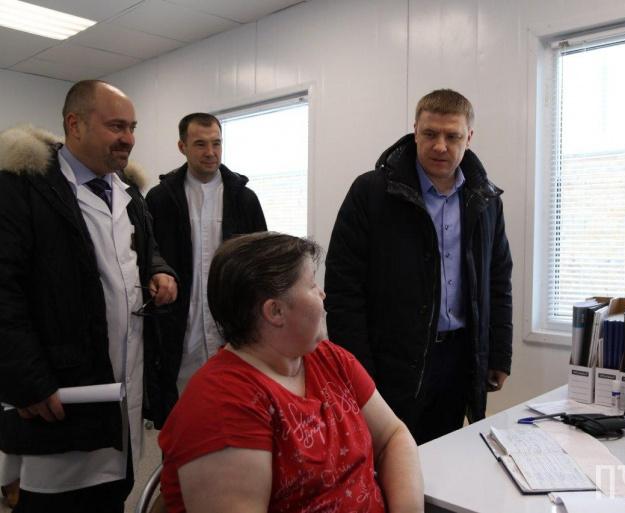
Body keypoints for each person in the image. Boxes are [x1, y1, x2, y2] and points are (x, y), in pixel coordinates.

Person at [0, 80, 177, 513]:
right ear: (74, 124)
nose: (129, 138)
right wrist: (28, 381)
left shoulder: (128, 192)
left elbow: (143, 250)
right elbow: (4, 290)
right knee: (57, 499)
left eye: (132, 127)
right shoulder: (23, 189)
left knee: (112, 490)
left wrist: (160, 271)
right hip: (59, 391)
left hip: (123, 382)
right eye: (116, 126)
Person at [159, 232, 423, 513]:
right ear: (275, 311)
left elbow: (392, 436)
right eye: (312, 284)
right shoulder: (222, 405)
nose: (323, 294)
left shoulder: (328, 358)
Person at [324, 89, 513, 444]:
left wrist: (498, 353)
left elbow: (498, 281)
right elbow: (343, 289)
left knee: (445, 453)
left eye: (452, 136)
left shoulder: (485, 200)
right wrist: (356, 368)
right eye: (430, 134)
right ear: (415, 132)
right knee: (388, 456)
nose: (440, 146)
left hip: (459, 358)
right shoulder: (371, 192)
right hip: (391, 359)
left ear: (469, 138)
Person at [145, 113, 267, 409]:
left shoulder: (244, 199)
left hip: (231, 328)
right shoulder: (160, 200)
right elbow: (147, 254)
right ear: (182, 146)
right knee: (182, 412)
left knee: (233, 410)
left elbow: (262, 263)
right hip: (180, 329)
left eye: (216, 143)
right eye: (200, 144)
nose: (211, 152)